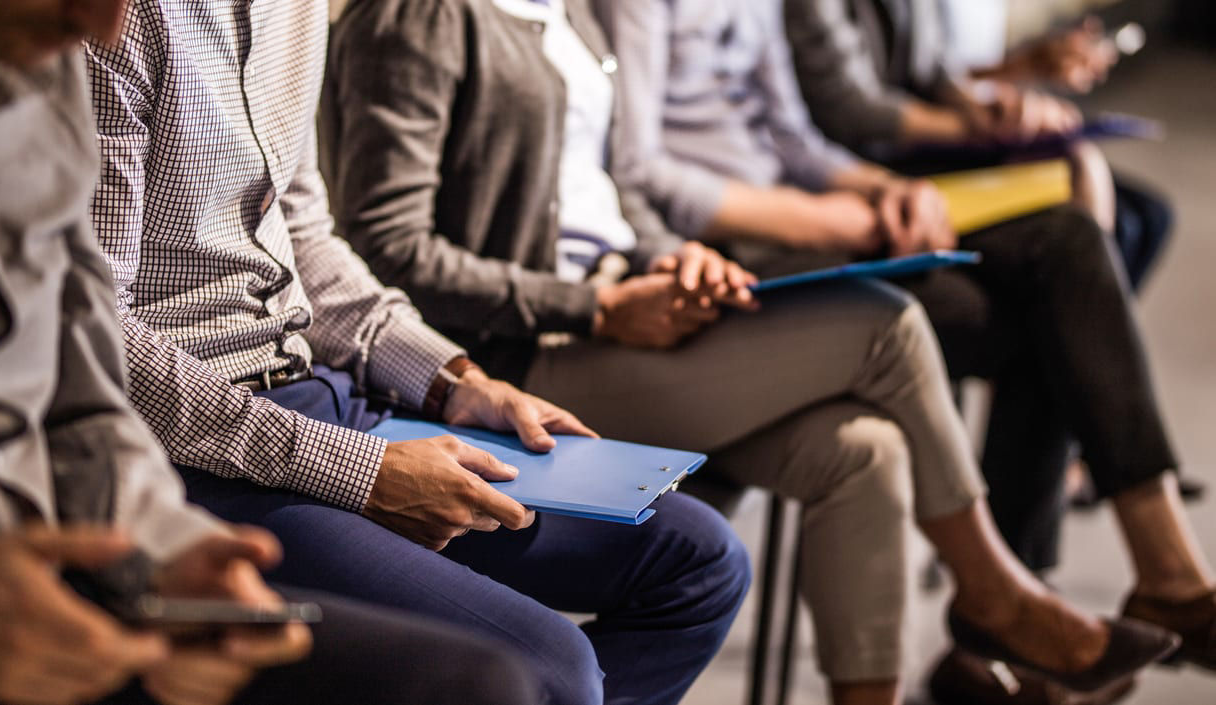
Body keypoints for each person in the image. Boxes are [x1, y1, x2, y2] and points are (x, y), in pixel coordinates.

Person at [320, 1, 1180, 704]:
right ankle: (994, 588)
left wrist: (671, 258)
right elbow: (389, 246)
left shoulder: (566, 11)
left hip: (625, 298)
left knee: (864, 450)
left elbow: (612, 189)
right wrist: (599, 305)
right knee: (885, 322)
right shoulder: (420, 18)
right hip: (532, 351)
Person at [83, 1, 753, 703]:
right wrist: (359, 471)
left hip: (320, 390)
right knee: (553, 671)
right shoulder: (111, 21)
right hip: (194, 450)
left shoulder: (299, 8)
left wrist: (451, 379)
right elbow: (99, 342)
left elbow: (305, 235)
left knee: (700, 562)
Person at [595, 0, 1216, 694]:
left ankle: (1153, 571)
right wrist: (828, 219)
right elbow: (641, 168)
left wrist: (889, 190)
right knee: (1051, 319)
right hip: (730, 250)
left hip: (806, 208)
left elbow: (793, 138)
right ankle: (1015, 621)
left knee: (1069, 247)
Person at [0, 2, 540, 705]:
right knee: (510, 678)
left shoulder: (37, 74)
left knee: (675, 562)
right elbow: (114, 341)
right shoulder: (81, 48)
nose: (108, 26)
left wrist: (170, 552)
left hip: (115, 502)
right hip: (173, 449)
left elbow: (78, 383)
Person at [784, 0, 1172, 290]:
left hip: (924, 133)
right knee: (1079, 221)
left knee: (1148, 215)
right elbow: (848, 106)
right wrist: (981, 126)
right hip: (876, 152)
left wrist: (982, 108)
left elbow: (933, 65)